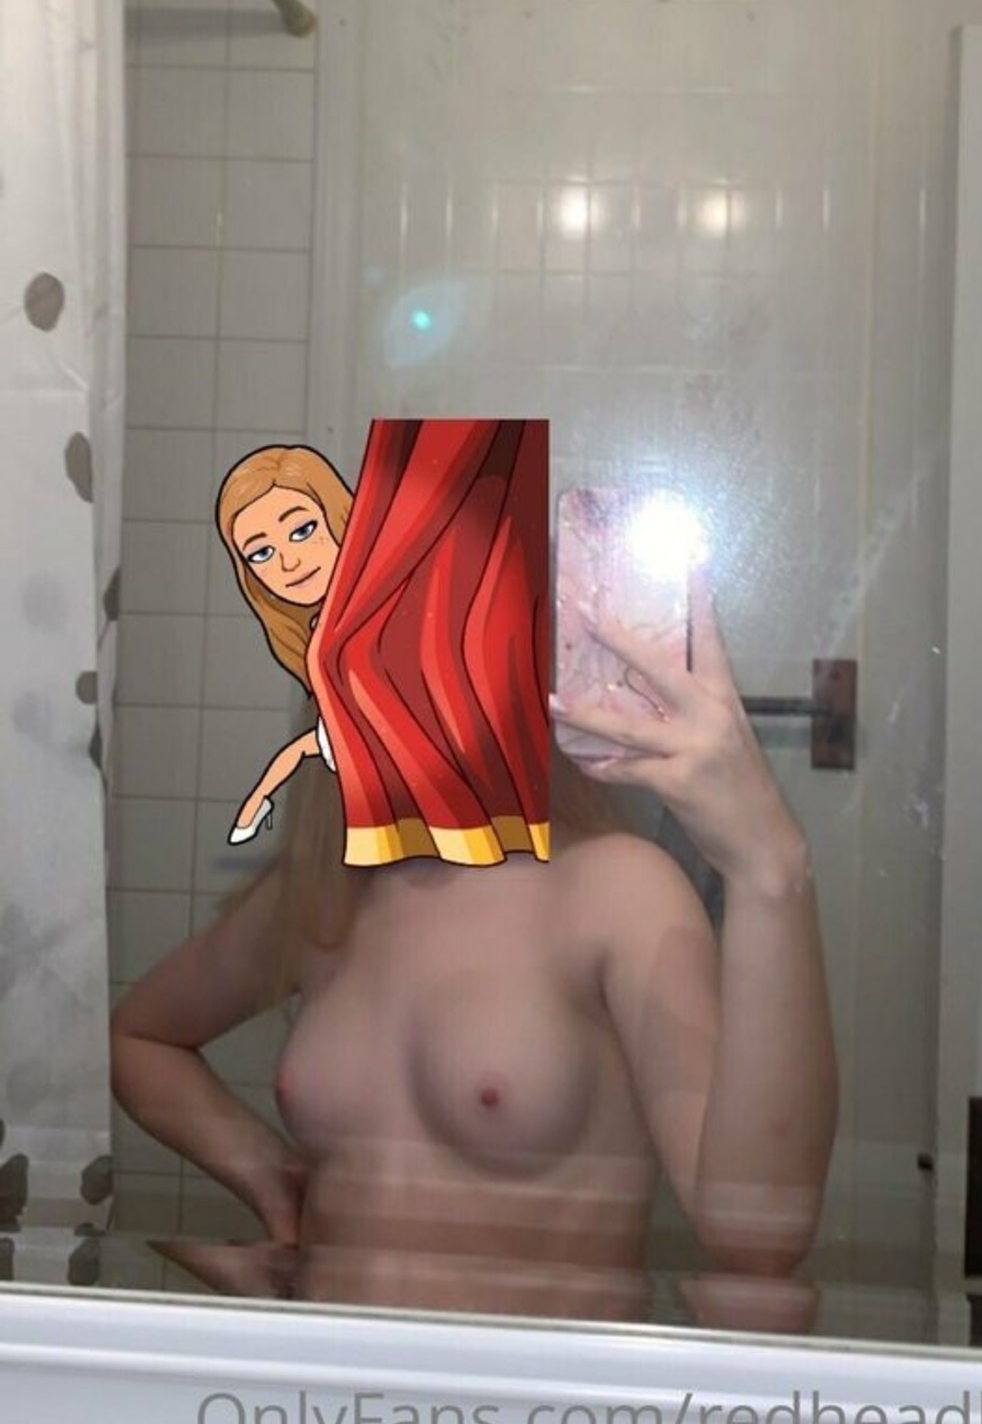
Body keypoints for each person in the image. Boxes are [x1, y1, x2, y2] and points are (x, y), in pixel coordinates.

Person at [111, 576, 838, 1322]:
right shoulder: (326, 891)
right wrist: (266, 1174)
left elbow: (757, 1241)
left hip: (528, 1391)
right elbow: (140, 1038)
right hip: (321, 1379)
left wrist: (768, 867)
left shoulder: (616, 890)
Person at [215, 445, 351, 844]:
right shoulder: (318, 637)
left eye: (302, 530)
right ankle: (253, 812)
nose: (289, 563)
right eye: (261, 553)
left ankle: (253, 811)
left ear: (339, 516)